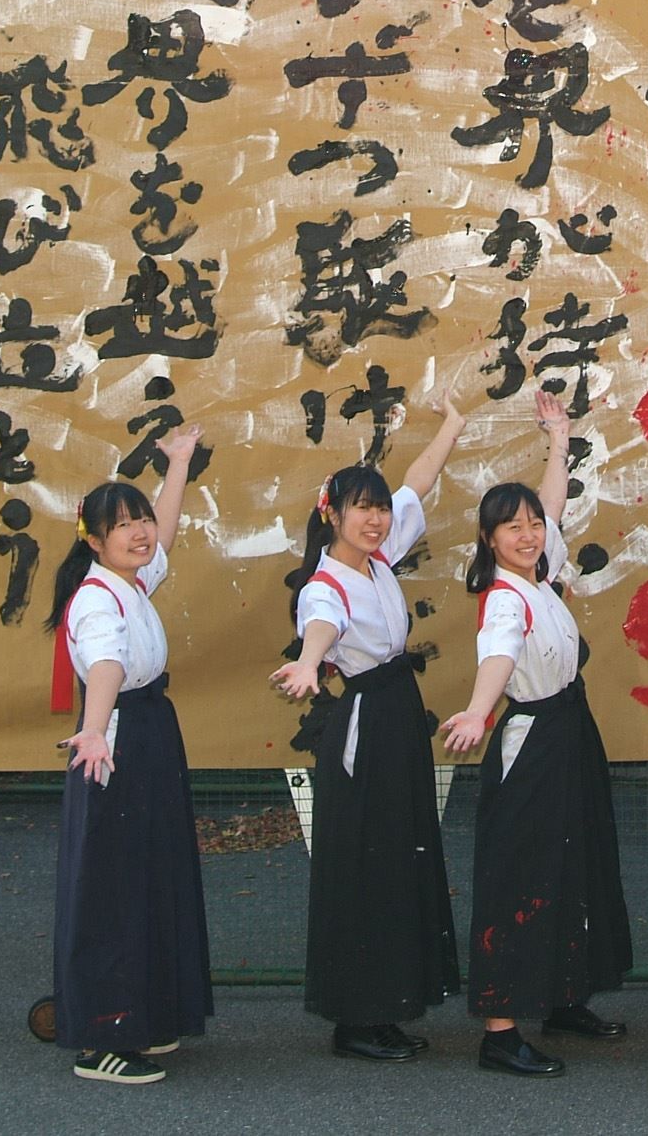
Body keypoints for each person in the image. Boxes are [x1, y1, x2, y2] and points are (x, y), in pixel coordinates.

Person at [439, 390, 634, 1077]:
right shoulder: (504, 598)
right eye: (511, 528)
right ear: (488, 540)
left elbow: (551, 506)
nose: (527, 534)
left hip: (570, 731)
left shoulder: (539, 573)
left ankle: (564, 995)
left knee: (575, 865)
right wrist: (476, 711)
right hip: (532, 743)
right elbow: (498, 656)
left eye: (530, 526)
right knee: (521, 875)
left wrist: (558, 437)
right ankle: (500, 1029)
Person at [269, 390, 467, 1063]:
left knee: (401, 856)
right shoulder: (324, 584)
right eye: (362, 508)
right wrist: (308, 662)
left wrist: (452, 425)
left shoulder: (379, 559)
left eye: (378, 508)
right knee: (366, 863)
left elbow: (417, 484)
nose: (377, 518)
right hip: (366, 722)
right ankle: (355, 1019)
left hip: (398, 715)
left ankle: (389, 1006)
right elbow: (322, 625)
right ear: (332, 514)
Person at [49, 424, 211, 1085]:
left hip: (147, 730)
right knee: (113, 885)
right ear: (93, 539)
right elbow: (107, 665)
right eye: (122, 526)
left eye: (138, 519)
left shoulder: (131, 581)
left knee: (151, 873)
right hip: (115, 740)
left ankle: (145, 1015)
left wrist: (177, 466)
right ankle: (104, 1038)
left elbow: (163, 537)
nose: (140, 533)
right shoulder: (96, 598)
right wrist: (94, 730)